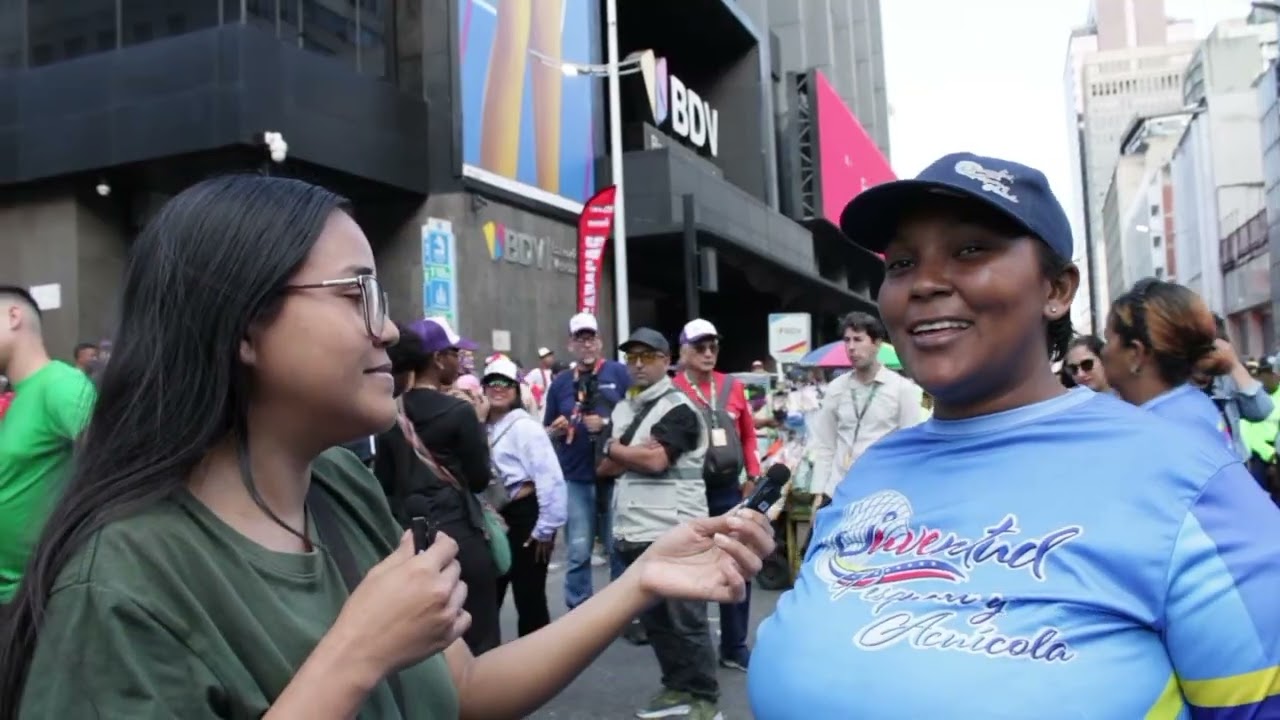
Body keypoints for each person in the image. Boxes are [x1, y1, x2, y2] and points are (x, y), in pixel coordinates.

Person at [0, 175, 775, 720]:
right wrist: (354, 656)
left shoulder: (336, 485)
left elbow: (464, 692)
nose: (386, 330)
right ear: (241, 325)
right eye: (356, 294)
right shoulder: (119, 585)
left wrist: (639, 581)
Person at [749, 152, 1280, 719]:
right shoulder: (874, 471)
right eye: (901, 262)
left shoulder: (1190, 482)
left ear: (1056, 288)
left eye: (971, 249)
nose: (924, 282)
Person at [598, 328, 720, 720]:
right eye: (632, 357)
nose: (637, 364)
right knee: (656, 619)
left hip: (676, 527)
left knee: (687, 619)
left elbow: (654, 461)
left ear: (667, 360)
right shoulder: (625, 408)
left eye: (647, 356)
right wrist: (625, 452)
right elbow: (606, 468)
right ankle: (676, 687)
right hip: (633, 527)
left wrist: (614, 446)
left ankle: (705, 697)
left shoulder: (679, 408)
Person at [373, 321, 500, 655]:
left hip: (409, 539)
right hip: (460, 534)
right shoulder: (461, 412)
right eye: (456, 354)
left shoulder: (389, 413)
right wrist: (481, 423)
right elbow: (478, 479)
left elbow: (384, 483)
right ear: (439, 359)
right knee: (479, 637)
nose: (460, 361)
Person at [672, 318, 759, 672]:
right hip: (687, 490)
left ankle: (734, 645)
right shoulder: (673, 389)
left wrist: (753, 472)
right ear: (684, 351)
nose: (708, 353)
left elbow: (749, 434)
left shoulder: (732, 387)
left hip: (729, 490)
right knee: (687, 568)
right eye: (700, 347)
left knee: (736, 564)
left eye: (713, 346)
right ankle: (691, 652)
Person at [0, 287, 97, 607]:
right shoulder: (19, 398)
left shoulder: (59, 384)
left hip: (32, 597)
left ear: (13, 317)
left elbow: (117, 466)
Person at [542, 313, 631, 617]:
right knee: (578, 550)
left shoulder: (620, 374)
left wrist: (605, 424)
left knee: (618, 546)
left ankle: (621, 611)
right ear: (570, 344)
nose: (587, 344)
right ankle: (579, 610)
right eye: (580, 338)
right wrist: (554, 431)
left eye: (591, 337)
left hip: (615, 473)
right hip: (576, 476)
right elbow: (547, 430)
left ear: (600, 341)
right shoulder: (561, 383)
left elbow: (638, 420)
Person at [482, 356, 567, 638]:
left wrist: (545, 528)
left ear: (516, 390)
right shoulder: (476, 425)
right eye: (492, 382)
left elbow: (550, 478)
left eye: (505, 383)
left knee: (529, 596)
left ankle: (537, 668)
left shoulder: (526, 427)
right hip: (491, 517)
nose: (498, 388)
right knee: (488, 595)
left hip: (526, 516)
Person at [1101, 278, 1237, 453]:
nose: (1103, 351)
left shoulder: (1152, 435)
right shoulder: (1192, 407)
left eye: (1108, 339)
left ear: (1135, 353)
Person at [807, 311, 923, 510]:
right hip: (837, 491)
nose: (851, 348)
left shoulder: (902, 389)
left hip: (880, 494)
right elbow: (825, 444)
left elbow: (911, 447)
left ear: (876, 343)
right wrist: (819, 492)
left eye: (858, 340)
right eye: (847, 340)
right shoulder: (836, 388)